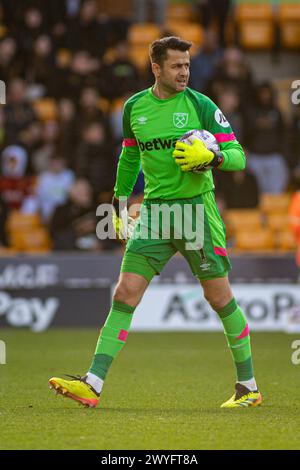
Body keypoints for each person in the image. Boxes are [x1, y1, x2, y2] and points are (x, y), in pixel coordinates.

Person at [49, 36, 262, 409]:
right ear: (156, 68)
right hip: (156, 213)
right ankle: (93, 384)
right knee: (124, 293)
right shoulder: (134, 108)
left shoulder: (201, 105)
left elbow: (238, 155)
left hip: (196, 212)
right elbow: (129, 158)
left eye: (187, 65)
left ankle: (249, 386)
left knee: (218, 296)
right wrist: (118, 203)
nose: (185, 72)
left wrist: (212, 158)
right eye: (177, 66)